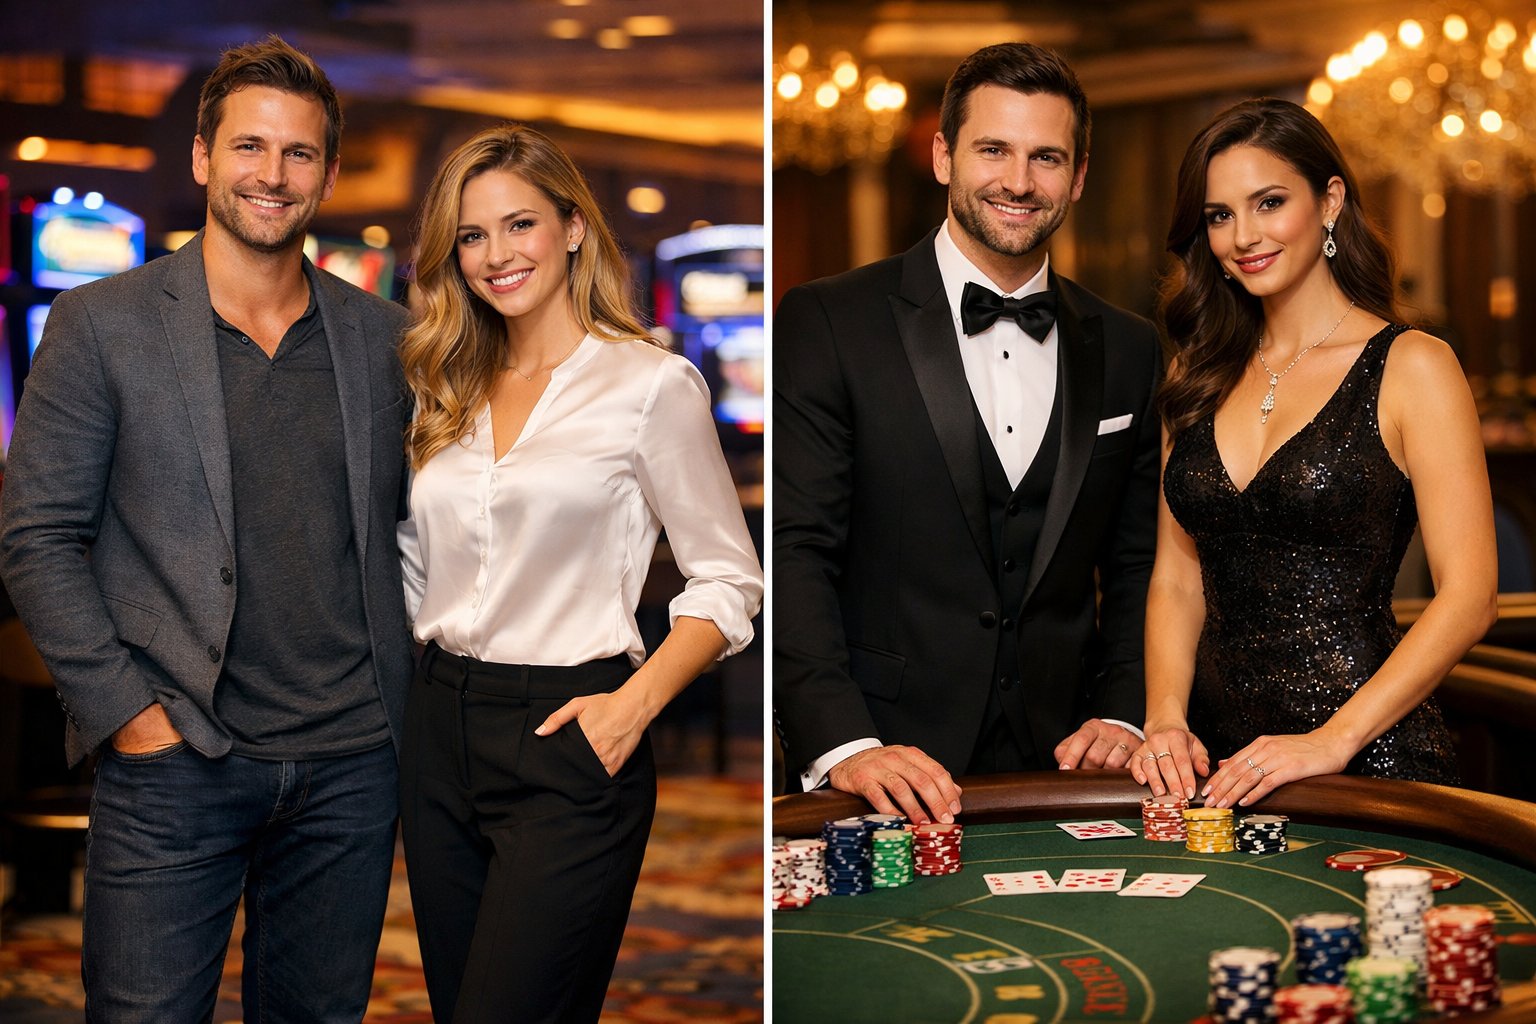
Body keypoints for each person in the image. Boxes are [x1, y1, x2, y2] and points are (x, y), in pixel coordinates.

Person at [0, 36, 413, 1023]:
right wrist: (130, 718)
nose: (272, 174)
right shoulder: (103, 322)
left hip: (351, 766)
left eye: (299, 153)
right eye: (248, 147)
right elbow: (36, 534)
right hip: (175, 757)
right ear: (202, 157)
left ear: (329, 171)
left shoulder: (387, 339)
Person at [396, 123, 762, 1024]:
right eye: (471, 236)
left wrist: (632, 705)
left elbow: (729, 580)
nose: (495, 256)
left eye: (518, 225)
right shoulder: (441, 381)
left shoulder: (650, 384)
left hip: (572, 729)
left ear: (572, 228)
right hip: (438, 733)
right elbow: (412, 566)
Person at [773, 42, 1163, 826]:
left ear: (1078, 176)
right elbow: (794, 551)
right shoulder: (828, 320)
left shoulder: (1130, 346)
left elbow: (1138, 562)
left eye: (1046, 157)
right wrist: (844, 742)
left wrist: (1123, 714)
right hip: (882, 760)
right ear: (944, 155)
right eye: (994, 149)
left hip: (1069, 760)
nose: (1019, 182)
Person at [1135, 98, 1497, 808]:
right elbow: (1177, 579)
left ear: (1329, 201)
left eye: (1269, 202)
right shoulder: (1196, 373)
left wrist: (1335, 738)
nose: (1244, 236)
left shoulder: (1412, 365)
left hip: (1368, 756)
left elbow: (1471, 597)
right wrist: (1164, 719)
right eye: (1219, 215)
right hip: (1219, 770)